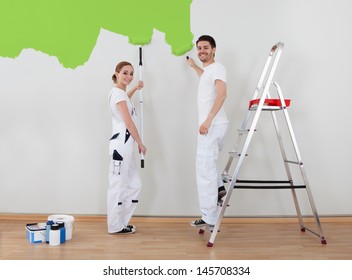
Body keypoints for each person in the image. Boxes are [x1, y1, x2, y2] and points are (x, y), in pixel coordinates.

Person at [186, 35, 229, 229]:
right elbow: (205, 78)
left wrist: (208, 120)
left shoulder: (218, 68)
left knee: (204, 169)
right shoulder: (208, 71)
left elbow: (222, 93)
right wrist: (194, 65)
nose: (202, 50)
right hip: (214, 125)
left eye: (206, 47)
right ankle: (219, 187)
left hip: (211, 125)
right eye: (199, 48)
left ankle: (210, 217)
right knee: (209, 165)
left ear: (214, 49)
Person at [107, 61, 147, 234]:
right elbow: (128, 122)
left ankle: (121, 222)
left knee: (134, 185)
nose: (129, 77)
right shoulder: (118, 94)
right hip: (122, 146)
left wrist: (135, 89)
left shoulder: (120, 94)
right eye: (125, 73)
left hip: (125, 146)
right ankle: (115, 226)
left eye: (131, 73)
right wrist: (140, 142)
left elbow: (125, 100)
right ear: (116, 73)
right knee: (118, 186)